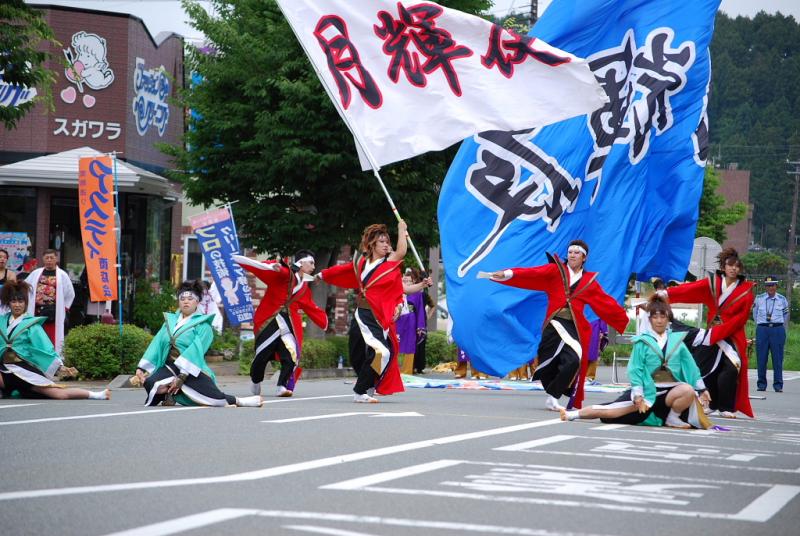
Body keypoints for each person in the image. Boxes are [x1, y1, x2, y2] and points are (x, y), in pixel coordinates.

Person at [489, 240, 629, 411]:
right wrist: (508, 273)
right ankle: (553, 391)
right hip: (554, 324)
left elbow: (605, 302)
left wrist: (624, 319)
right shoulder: (556, 270)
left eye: (577, 253)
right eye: (570, 252)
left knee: (573, 361)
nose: (572, 255)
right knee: (549, 363)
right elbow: (532, 273)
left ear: (584, 258)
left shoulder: (588, 281)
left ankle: (553, 397)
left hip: (574, 327)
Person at [561, 294, 711, 429]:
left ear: (668, 319)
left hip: (671, 392)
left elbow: (690, 367)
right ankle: (573, 415)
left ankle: (673, 417)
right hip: (647, 392)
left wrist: (702, 389)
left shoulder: (677, 341)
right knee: (612, 412)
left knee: (688, 390)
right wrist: (638, 394)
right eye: (655, 317)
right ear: (650, 319)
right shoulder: (642, 342)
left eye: (663, 317)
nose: (659, 321)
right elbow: (635, 368)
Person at [133, 280, 262, 407]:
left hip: (191, 368)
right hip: (169, 367)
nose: (186, 301)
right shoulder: (169, 321)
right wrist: (142, 368)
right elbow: (156, 344)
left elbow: (196, 350)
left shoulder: (203, 325)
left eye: (190, 298)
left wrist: (182, 377)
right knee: (151, 382)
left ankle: (241, 401)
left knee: (212, 397)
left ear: (197, 302)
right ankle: (169, 393)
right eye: (182, 298)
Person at [318, 221, 407, 403]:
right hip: (361, 313)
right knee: (356, 353)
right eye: (382, 241)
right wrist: (323, 274)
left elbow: (401, 252)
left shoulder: (388, 263)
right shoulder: (361, 262)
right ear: (372, 244)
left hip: (377, 315)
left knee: (382, 351)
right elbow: (342, 270)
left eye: (387, 242)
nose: (386, 245)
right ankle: (367, 383)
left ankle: (360, 391)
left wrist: (401, 230)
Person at [667, 247, 755, 418]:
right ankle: (712, 404)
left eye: (737, 267)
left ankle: (726, 407)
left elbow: (742, 318)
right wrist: (666, 293)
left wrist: (722, 330)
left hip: (732, 336)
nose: (734, 269)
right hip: (712, 333)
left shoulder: (746, 289)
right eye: (730, 265)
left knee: (731, 370)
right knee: (708, 369)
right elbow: (690, 289)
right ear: (723, 267)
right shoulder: (713, 284)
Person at [232, 250, 328, 397]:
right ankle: (256, 380)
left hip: (289, 324)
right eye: (311, 262)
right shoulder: (286, 274)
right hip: (271, 319)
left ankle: (282, 386)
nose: (314, 266)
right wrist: (273, 267)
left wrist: (323, 320)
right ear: (301, 263)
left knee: (291, 356)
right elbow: (275, 269)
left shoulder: (304, 286)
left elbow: (309, 305)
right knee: (262, 355)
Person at [0, 280, 109, 401]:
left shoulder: (31, 324)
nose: (17, 305)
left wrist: (59, 367)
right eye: (13, 301)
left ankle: (96, 394)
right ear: (8, 303)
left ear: (25, 303)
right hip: (4, 369)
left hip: (23, 370)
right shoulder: (2, 321)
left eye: (20, 301)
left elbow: (45, 348)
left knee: (59, 395)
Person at [24, 249, 74, 355]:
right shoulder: (36, 273)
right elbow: (25, 287)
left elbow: (70, 293)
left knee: (51, 337)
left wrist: (63, 309)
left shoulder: (62, 275)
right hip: (36, 311)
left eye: (52, 258)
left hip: (53, 312)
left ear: (56, 259)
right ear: (43, 259)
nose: (49, 260)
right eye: (47, 258)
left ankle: (52, 358)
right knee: (36, 335)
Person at [753, 276, 789, 393]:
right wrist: (762, 324)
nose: (770, 288)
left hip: (777, 330)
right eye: (768, 285)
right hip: (762, 329)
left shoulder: (782, 299)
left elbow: (785, 315)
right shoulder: (759, 299)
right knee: (761, 358)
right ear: (765, 286)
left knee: (777, 358)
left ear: (776, 286)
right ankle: (761, 384)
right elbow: (755, 314)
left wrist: (776, 324)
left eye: (772, 285)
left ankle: (778, 385)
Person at [397, 268, 429, 375]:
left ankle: (406, 371)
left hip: (411, 320)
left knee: (409, 344)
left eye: (408, 281)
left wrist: (420, 326)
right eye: (404, 281)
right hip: (398, 319)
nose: (406, 283)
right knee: (396, 343)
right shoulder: (397, 290)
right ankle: (394, 370)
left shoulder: (417, 294)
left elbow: (420, 310)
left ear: (413, 282)